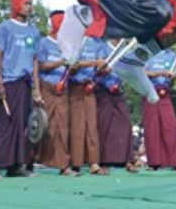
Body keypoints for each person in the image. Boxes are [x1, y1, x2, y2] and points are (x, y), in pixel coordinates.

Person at [0, 0, 40, 180]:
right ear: (17, 5)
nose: (29, 7)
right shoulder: (4, 27)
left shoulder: (33, 31)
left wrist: (36, 88)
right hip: (9, 81)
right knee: (5, 123)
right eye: (26, 3)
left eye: (30, 4)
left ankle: (17, 166)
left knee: (22, 126)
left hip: (25, 83)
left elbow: (35, 61)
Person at [34, 11, 77, 176]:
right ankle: (37, 159)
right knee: (45, 125)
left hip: (63, 88)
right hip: (47, 87)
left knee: (62, 126)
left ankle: (63, 166)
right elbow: (41, 66)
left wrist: (70, 67)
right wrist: (60, 62)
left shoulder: (68, 45)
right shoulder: (44, 43)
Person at [96, 40, 138, 173]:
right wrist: (103, 69)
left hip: (116, 89)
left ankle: (128, 160)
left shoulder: (125, 49)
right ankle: (102, 161)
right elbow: (96, 68)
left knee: (125, 123)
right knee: (103, 124)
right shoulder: (102, 47)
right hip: (102, 88)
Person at [68, 36, 108, 175]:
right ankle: (76, 163)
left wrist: (103, 68)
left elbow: (100, 67)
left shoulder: (97, 42)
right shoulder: (73, 39)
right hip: (75, 86)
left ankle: (93, 162)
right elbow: (72, 65)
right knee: (77, 125)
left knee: (91, 125)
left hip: (90, 87)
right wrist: (95, 62)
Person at [143, 49, 176, 171]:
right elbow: (142, 72)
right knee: (152, 127)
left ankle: (173, 161)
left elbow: (173, 76)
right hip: (150, 91)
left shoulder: (172, 54)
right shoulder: (146, 50)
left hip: (165, 92)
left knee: (170, 126)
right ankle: (154, 162)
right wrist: (159, 73)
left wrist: (173, 76)